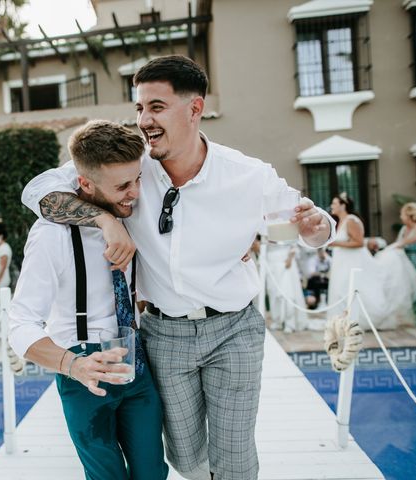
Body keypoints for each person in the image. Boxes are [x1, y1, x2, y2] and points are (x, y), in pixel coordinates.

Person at [21, 55, 334, 480]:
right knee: (184, 457)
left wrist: (316, 229)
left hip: (234, 328)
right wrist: (106, 219)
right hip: (164, 333)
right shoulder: (132, 167)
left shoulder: (247, 174)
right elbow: (38, 190)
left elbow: (308, 221)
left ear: (194, 108)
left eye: (156, 107)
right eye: (139, 107)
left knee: (234, 452)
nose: (143, 119)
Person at [8, 120, 168, 480]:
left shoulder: (131, 211)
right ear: (84, 183)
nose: (136, 193)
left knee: (153, 472)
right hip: (83, 370)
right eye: (123, 186)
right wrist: (72, 365)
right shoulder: (51, 235)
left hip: (136, 362)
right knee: (106, 476)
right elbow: (19, 325)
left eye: (137, 179)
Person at [327, 194, 398, 329]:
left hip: (352, 262)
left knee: (350, 288)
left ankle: (358, 320)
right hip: (342, 261)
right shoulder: (340, 221)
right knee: (340, 289)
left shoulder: (351, 220)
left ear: (343, 205)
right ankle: (342, 321)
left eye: (334, 203)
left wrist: (336, 244)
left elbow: (359, 242)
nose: (332, 206)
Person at [266, 243, 308, 332]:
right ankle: (277, 320)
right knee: (273, 292)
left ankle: (290, 322)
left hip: (285, 260)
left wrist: (290, 258)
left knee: (288, 292)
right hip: (270, 261)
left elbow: (294, 243)